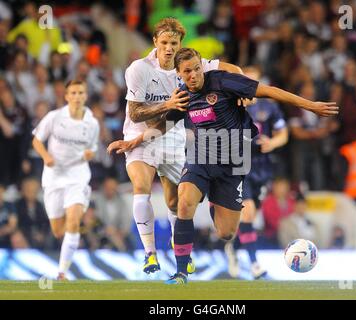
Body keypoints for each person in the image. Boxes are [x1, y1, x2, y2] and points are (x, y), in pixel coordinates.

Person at [112, 48, 338, 284]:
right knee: (185, 199)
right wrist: (134, 141)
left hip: (233, 162)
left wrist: (310, 105)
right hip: (201, 157)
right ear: (179, 74)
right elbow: (162, 126)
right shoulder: (182, 97)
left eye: (197, 69)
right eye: (187, 71)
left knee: (226, 232)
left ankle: (214, 200)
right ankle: (180, 272)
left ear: (202, 66)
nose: (193, 75)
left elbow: (269, 91)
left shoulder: (223, 81)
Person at [107, 17, 243, 274]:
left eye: (174, 43)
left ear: (181, 43)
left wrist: (242, 95)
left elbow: (233, 70)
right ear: (155, 42)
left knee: (174, 202)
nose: (169, 48)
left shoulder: (190, 65)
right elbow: (135, 113)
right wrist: (167, 105)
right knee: (141, 185)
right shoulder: (139, 69)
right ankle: (150, 254)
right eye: (165, 42)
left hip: (172, 136)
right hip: (140, 135)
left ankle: (179, 250)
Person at [224, 65, 289, 279]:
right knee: (248, 210)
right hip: (239, 164)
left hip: (263, 166)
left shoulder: (269, 107)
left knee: (248, 217)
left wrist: (273, 143)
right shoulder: (231, 104)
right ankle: (254, 265)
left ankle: (233, 247)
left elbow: (283, 134)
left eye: (253, 82)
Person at [32, 80, 99, 280]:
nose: (77, 96)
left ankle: (62, 273)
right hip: (53, 177)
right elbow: (36, 140)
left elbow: (93, 148)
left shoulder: (92, 123)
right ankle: (77, 224)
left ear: (85, 96)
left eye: (81, 93)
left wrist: (89, 154)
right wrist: (46, 156)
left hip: (77, 176)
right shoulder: (54, 117)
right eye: (74, 93)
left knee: (73, 220)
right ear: (67, 96)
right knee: (58, 230)